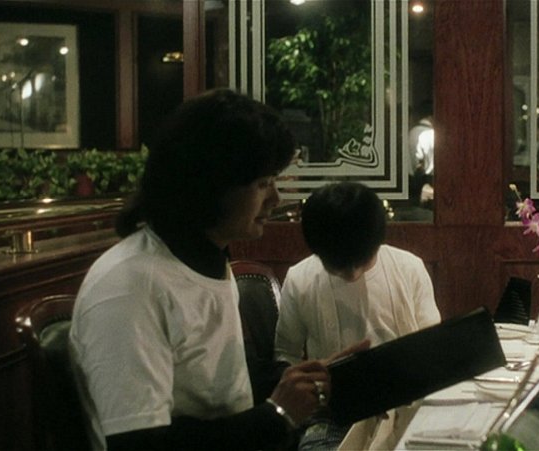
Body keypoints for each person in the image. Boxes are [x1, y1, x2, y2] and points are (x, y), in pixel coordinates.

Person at [69, 88, 366, 451]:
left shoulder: (205, 257)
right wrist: (277, 415)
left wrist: (302, 380)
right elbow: (139, 446)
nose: (275, 199)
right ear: (211, 185)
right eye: (263, 184)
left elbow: (221, 389)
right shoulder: (130, 285)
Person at [275, 181, 441, 450]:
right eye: (338, 265)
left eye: (361, 260)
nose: (352, 273)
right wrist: (312, 388)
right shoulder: (300, 278)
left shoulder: (408, 268)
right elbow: (285, 353)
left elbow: (431, 344)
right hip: (333, 413)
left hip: (407, 403)